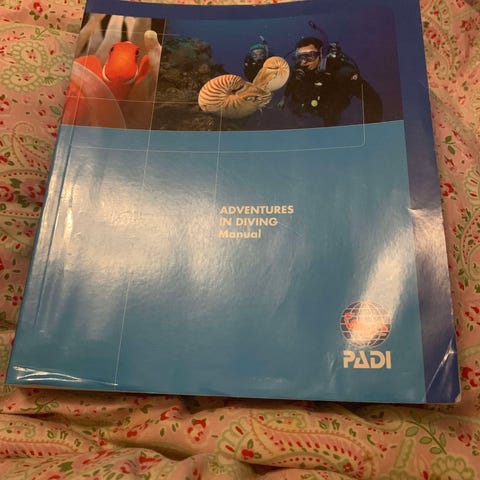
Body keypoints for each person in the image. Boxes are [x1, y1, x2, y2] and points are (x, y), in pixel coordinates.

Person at [279, 37, 383, 127]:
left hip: (330, 116)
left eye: (310, 56)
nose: (303, 62)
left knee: (330, 116)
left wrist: (371, 129)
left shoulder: (340, 72)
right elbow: (290, 90)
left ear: (322, 54)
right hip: (307, 118)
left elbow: (372, 98)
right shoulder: (298, 71)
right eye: (299, 57)